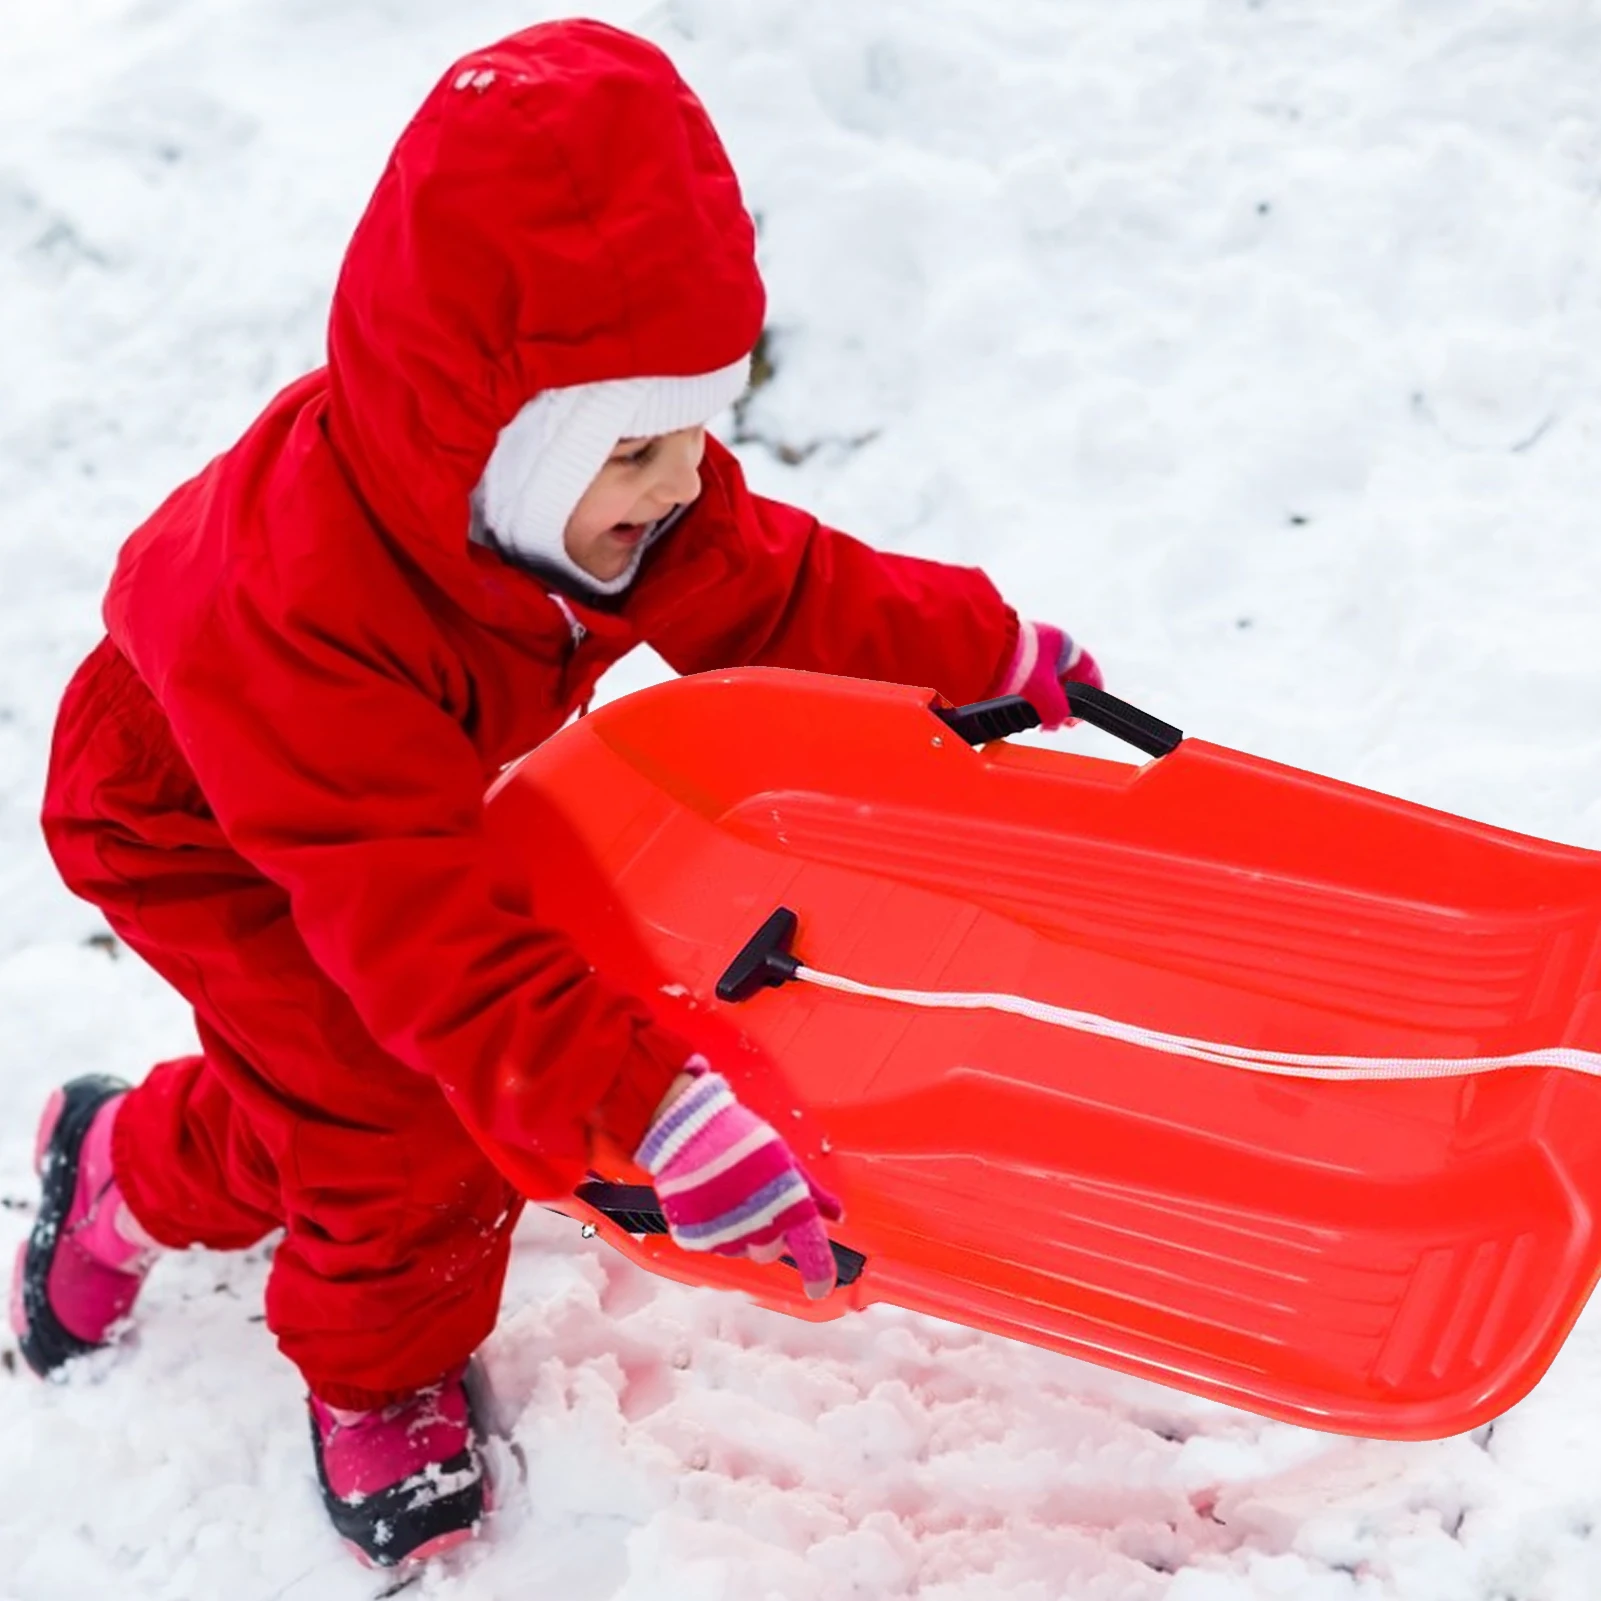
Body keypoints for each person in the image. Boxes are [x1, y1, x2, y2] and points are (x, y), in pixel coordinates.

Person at [9, 18, 1104, 1571]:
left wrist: (975, 651)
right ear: (498, 441)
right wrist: (648, 1104)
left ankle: (118, 1161)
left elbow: (775, 590)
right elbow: (433, 948)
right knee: (397, 1111)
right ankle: (374, 1370)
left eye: (699, 427)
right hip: (198, 821)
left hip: (395, 789)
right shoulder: (300, 614)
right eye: (641, 446)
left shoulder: (580, 493)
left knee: (327, 1087)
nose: (680, 478)